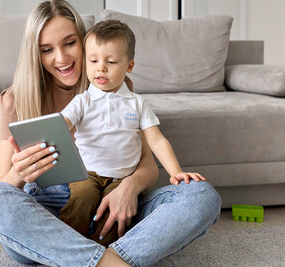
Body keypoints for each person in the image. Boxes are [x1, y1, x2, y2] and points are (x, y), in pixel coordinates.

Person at [0, 0, 222, 267]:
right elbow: (3, 189)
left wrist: (128, 187)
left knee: (201, 196)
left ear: (85, 41)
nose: (61, 58)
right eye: (46, 49)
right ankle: (112, 261)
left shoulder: (115, 87)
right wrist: (18, 174)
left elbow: (148, 166)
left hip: (117, 203)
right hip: (51, 213)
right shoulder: (16, 100)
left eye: (70, 43)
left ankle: (76, 257)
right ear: (35, 54)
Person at [59, 20, 207, 247]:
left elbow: (156, 140)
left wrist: (176, 171)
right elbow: (61, 123)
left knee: (114, 216)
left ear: (129, 66)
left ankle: (101, 251)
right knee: (82, 197)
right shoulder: (82, 101)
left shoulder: (137, 103)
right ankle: (68, 246)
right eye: (94, 61)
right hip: (86, 174)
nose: (101, 68)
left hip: (122, 179)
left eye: (110, 61)